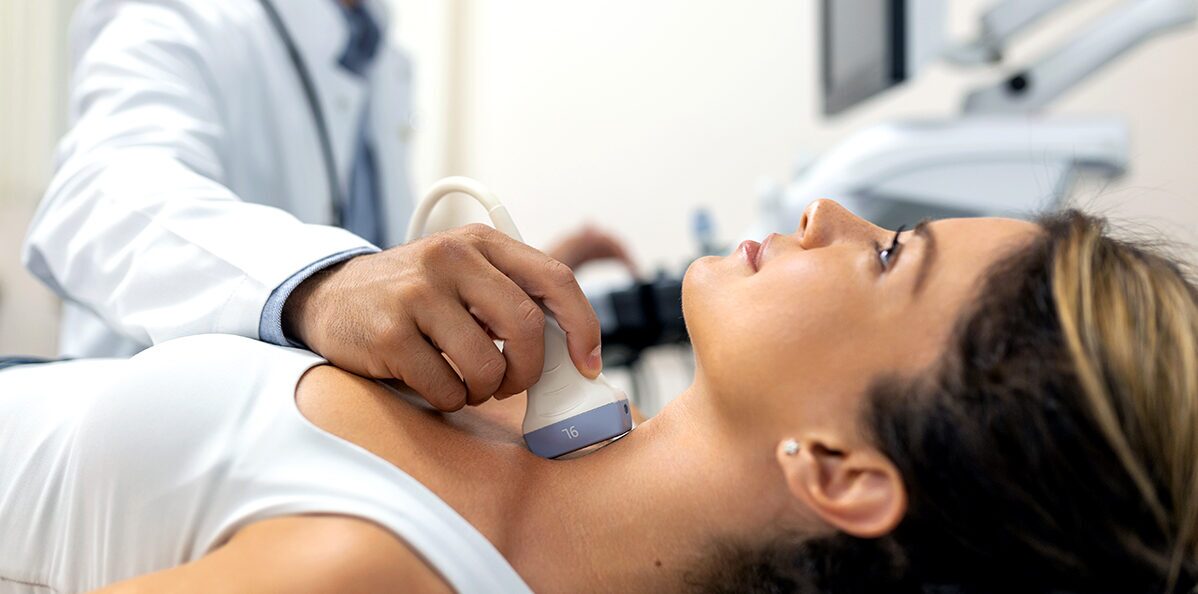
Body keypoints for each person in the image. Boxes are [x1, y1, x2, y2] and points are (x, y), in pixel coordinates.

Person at [2, 199, 1196, 593]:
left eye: (889, 257)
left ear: (839, 469)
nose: (834, 219)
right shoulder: (540, 435)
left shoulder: (365, 571)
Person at [22, 0, 632, 413]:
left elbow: (386, 285)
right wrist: (324, 284)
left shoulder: (379, 57)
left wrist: (507, 294)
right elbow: (97, 194)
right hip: (157, 442)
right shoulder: (183, 15)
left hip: (313, 435)